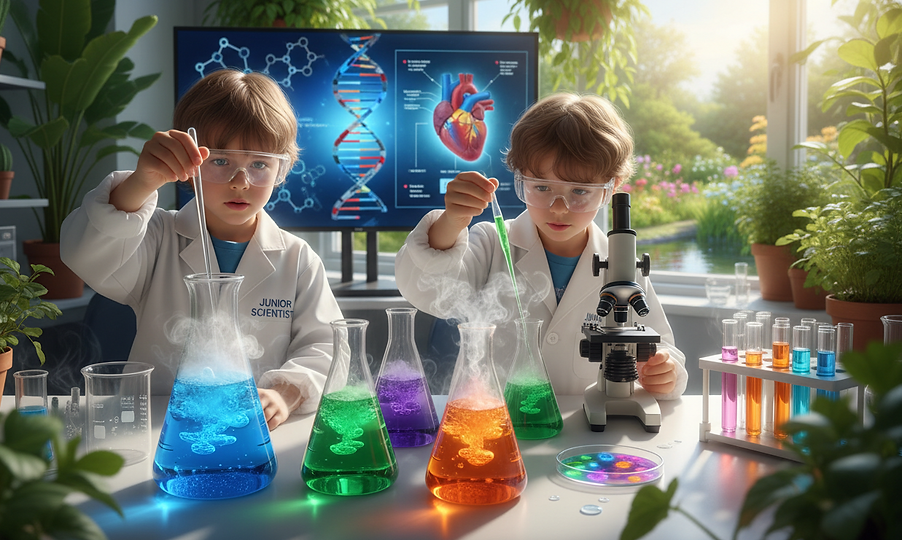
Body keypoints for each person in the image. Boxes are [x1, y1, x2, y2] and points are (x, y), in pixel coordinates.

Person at [61, 69, 343, 429]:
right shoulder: (157, 235)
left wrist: (284, 394)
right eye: (220, 161)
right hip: (162, 427)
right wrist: (142, 181)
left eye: (259, 164)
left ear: (282, 169)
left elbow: (326, 345)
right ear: (189, 164)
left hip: (255, 429)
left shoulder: (297, 258)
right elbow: (83, 253)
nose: (240, 182)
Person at [395, 92, 688, 399]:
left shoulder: (622, 265)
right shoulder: (492, 243)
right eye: (542, 187)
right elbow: (423, 289)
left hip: (585, 433)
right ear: (520, 178)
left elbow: (660, 346)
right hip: (498, 427)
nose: (558, 207)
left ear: (610, 189)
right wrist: (453, 220)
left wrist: (664, 373)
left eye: (579, 191)